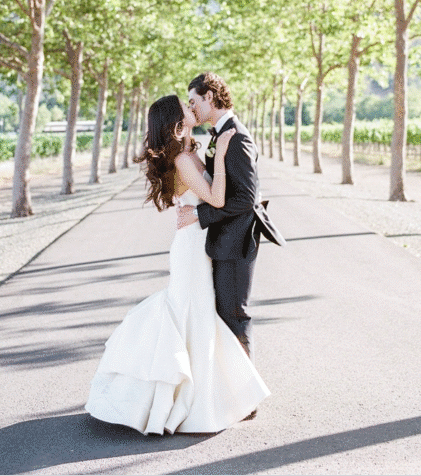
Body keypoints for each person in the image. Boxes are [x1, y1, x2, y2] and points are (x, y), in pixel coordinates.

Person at [85, 94, 269, 435]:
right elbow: (215, 198)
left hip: (197, 241)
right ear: (177, 119)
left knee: (197, 316)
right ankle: (190, 400)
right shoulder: (184, 160)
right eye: (185, 105)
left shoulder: (188, 153)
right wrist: (223, 155)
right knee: (192, 316)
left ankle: (207, 395)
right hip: (191, 247)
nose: (191, 106)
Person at [178, 73, 284, 369]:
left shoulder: (236, 137)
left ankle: (246, 396)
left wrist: (200, 214)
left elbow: (245, 199)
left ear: (209, 97)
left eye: (194, 101)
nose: (192, 107)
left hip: (237, 240)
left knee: (234, 313)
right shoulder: (220, 135)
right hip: (223, 239)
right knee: (223, 312)